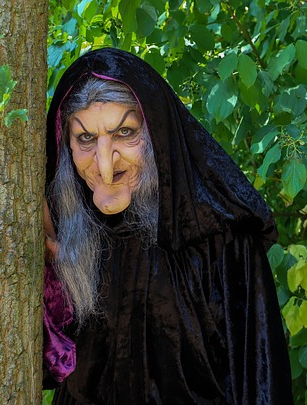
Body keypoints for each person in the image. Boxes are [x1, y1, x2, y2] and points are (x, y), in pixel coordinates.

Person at [42, 47, 294, 404]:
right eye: (85, 138)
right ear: (65, 142)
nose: (104, 165)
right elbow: (48, 367)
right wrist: (51, 277)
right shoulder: (71, 233)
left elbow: (262, 384)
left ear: (157, 133)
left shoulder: (222, 239)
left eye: (125, 132)